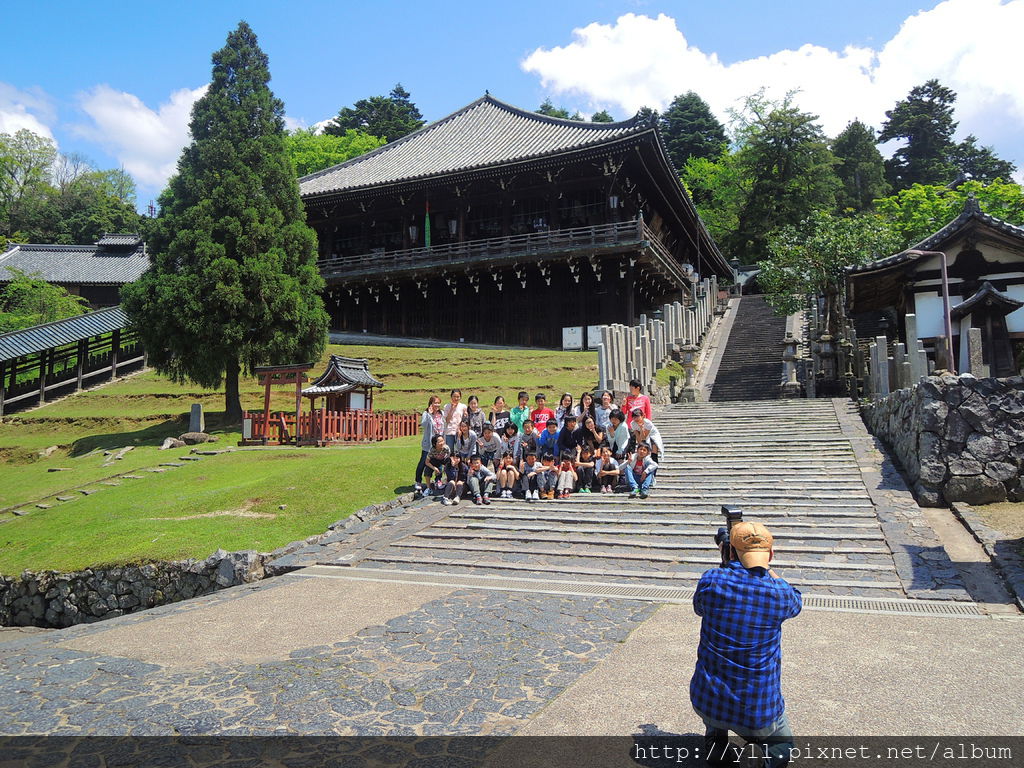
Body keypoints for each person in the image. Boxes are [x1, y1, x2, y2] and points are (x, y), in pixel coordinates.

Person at [690, 522, 801, 768]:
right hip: (756, 706)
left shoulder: (711, 581)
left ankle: (717, 750)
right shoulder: (780, 593)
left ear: (730, 552)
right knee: (783, 746)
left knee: (715, 718)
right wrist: (767, 569)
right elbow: (795, 602)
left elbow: (700, 607)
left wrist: (727, 558)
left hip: (707, 697)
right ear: (770, 555)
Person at [415, 395, 444, 496]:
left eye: (438, 403)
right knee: (423, 461)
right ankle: (418, 481)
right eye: (435, 402)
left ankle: (438, 480)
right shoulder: (426, 413)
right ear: (430, 403)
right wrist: (429, 415)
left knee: (438, 461)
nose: (437, 405)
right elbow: (423, 424)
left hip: (439, 444)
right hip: (428, 444)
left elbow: (443, 426)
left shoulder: (441, 413)